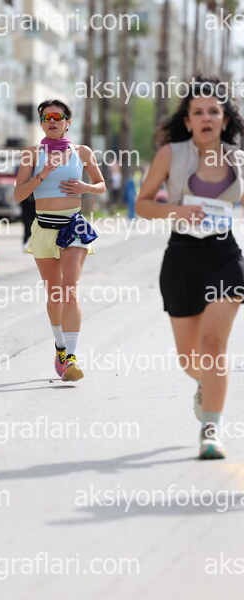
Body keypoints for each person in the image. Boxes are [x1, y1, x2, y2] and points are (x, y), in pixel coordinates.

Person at [136, 77, 244, 460]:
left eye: (214, 111)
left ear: (225, 119)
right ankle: (204, 383)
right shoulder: (171, 154)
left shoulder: (238, 159)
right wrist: (175, 211)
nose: (206, 117)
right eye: (198, 112)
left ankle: (210, 430)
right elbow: (143, 204)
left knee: (214, 345)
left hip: (224, 257)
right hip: (181, 258)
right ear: (188, 121)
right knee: (189, 359)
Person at [14, 99, 106, 381]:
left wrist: (85, 187)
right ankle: (60, 349)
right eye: (46, 117)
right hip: (44, 227)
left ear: (68, 122)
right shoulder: (32, 154)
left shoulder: (82, 152)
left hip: (73, 226)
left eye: (57, 116)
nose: (52, 121)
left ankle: (72, 357)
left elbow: (101, 185)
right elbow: (18, 195)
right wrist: (42, 175)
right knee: (55, 296)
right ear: (41, 123)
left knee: (70, 291)